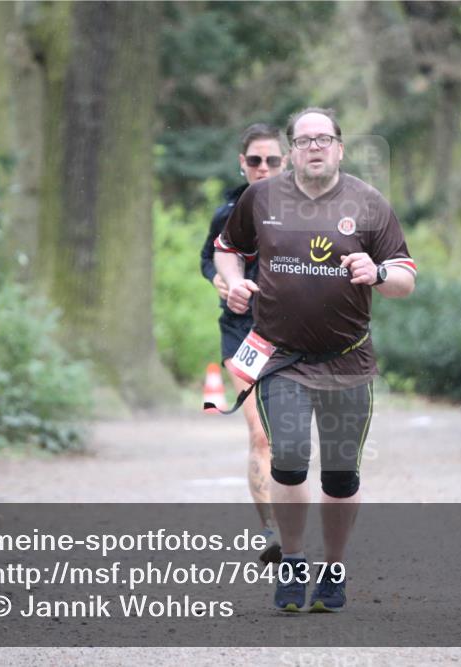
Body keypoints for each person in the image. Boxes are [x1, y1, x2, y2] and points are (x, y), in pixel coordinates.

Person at [214, 108, 416, 612]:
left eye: (324, 138)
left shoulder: (368, 204)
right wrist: (235, 281)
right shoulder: (261, 198)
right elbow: (225, 247)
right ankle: (295, 561)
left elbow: (406, 279)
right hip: (281, 359)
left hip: (347, 361)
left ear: (340, 149)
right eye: (304, 140)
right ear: (292, 151)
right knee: (287, 462)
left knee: (341, 477)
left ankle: (334, 569)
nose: (315, 147)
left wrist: (377, 271)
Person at [200, 123, 288, 565]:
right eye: (255, 160)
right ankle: (274, 531)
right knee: (260, 434)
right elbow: (208, 256)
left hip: (294, 335)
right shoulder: (228, 212)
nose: (263, 168)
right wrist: (219, 278)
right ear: (242, 162)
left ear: (285, 162)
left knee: (295, 441)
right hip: (242, 334)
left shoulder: (306, 210)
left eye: (273, 160)